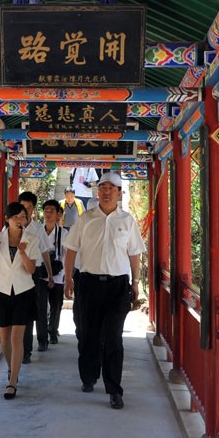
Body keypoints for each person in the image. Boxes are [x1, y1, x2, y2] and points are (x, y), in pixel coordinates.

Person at [63, 172, 146, 410]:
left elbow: (134, 253)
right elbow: (71, 249)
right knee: (88, 334)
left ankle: (114, 389)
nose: (106, 192)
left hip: (117, 286)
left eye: (112, 188)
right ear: (97, 192)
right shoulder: (85, 219)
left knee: (113, 338)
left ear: (119, 193)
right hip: (88, 283)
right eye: (103, 188)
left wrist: (135, 282)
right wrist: (68, 279)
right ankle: (89, 376)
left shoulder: (127, 220)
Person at [0, 202, 40, 400]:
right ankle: (12, 369)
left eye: (23, 217)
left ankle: (12, 382)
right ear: (7, 219)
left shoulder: (31, 239)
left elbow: (31, 270)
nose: (19, 220)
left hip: (23, 291)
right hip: (2, 290)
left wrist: (23, 252)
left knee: (17, 337)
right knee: (4, 338)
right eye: (15, 217)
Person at [18, 191, 54, 363]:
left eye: (29, 207)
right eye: (23, 207)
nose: (25, 210)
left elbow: (45, 252)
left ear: (33, 209)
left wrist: (50, 274)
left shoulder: (38, 229)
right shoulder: (9, 227)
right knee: (18, 313)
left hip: (34, 273)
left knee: (32, 311)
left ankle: (27, 350)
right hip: (15, 274)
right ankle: (18, 349)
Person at [40, 199, 68, 344]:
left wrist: (66, 275)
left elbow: (67, 255)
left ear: (58, 214)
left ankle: (52, 331)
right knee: (41, 307)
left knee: (56, 305)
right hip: (41, 274)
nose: (48, 213)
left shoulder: (64, 233)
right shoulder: (38, 232)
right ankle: (42, 337)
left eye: (52, 211)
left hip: (58, 273)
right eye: (46, 211)